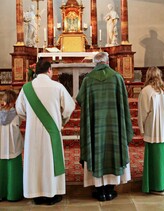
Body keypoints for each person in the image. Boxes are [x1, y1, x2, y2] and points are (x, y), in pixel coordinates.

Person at [15, 60, 75, 205]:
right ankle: (52, 193)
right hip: (51, 132)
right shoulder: (57, 86)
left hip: (33, 133)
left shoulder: (26, 88)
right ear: (49, 70)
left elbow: (20, 110)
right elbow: (69, 108)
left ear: (36, 71)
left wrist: (31, 119)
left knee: (35, 161)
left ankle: (36, 194)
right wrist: (61, 121)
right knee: (50, 162)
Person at [76, 52, 133, 201]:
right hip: (114, 125)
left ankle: (99, 189)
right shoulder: (117, 78)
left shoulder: (88, 80)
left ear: (95, 63)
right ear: (107, 62)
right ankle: (110, 190)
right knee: (113, 151)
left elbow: (80, 99)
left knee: (96, 150)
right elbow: (124, 101)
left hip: (95, 125)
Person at [138, 66, 164, 195]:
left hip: (154, 129)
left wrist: (141, 127)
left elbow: (143, 112)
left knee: (155, 159)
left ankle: (157, 186)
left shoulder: (146, 91)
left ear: (147, 76)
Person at [0, 90, 23, 202]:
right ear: (14, 101)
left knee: (1, 170)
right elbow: (20, 123)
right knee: (14, 170)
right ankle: (13, 195)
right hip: (13, 146)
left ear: (4, 101)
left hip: (1, 148)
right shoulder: (16, 115)